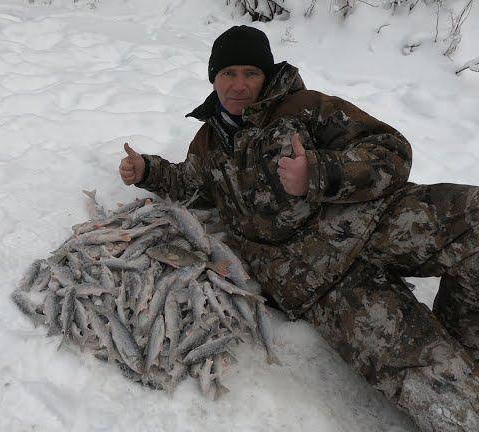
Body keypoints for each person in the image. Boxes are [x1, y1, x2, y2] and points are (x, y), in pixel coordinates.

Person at [118, 25, 479, 432]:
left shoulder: (305, 107)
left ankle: (465, 337)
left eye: (250, 73)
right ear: (213, 79)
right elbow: (189, 183)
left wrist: (320, 173)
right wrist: (148, 170)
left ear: (267, 76)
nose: (238, 86)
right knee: (447, 395)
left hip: (378, 217)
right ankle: (455, 365)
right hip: (320, 281)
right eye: (227, 74)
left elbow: (391, 151)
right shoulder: (208, 143)